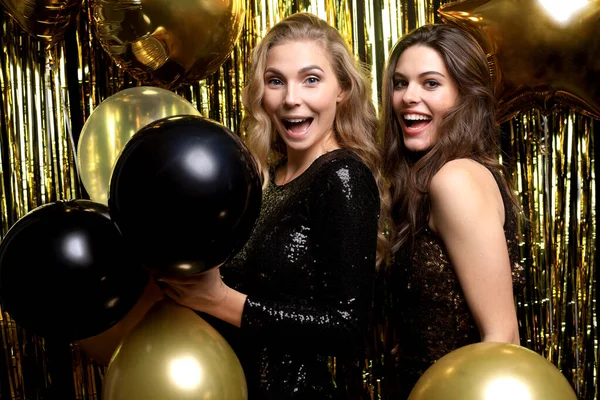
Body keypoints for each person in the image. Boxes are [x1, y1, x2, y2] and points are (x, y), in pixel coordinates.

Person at [158, 12, 389, 399]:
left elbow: (347, 328)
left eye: (311, 79)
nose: (291, 99)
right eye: (275, 81)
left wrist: (220, 300)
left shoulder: (341, 175)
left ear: (342, 89)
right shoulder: (263, 180)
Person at [380, 24, 525, 397]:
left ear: (465, 96)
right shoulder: (435, 178)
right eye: (400, 83)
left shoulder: (455, 180)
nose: (409, 97)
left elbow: (503, 337)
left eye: (430, 83)